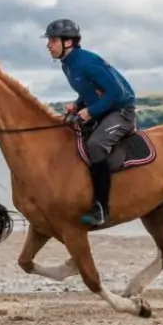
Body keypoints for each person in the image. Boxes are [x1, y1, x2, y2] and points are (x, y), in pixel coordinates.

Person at [44, 18, 137, 227]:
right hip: (103, 112)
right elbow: (90, 91)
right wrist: (77, 106)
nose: (48, 45)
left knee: (96, 145)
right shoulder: (67, 64)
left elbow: (116, 92)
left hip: (121, 112)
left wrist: (90, 111)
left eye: (52, 40)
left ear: (68, 42)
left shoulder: (87, 62)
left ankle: (102, 208)